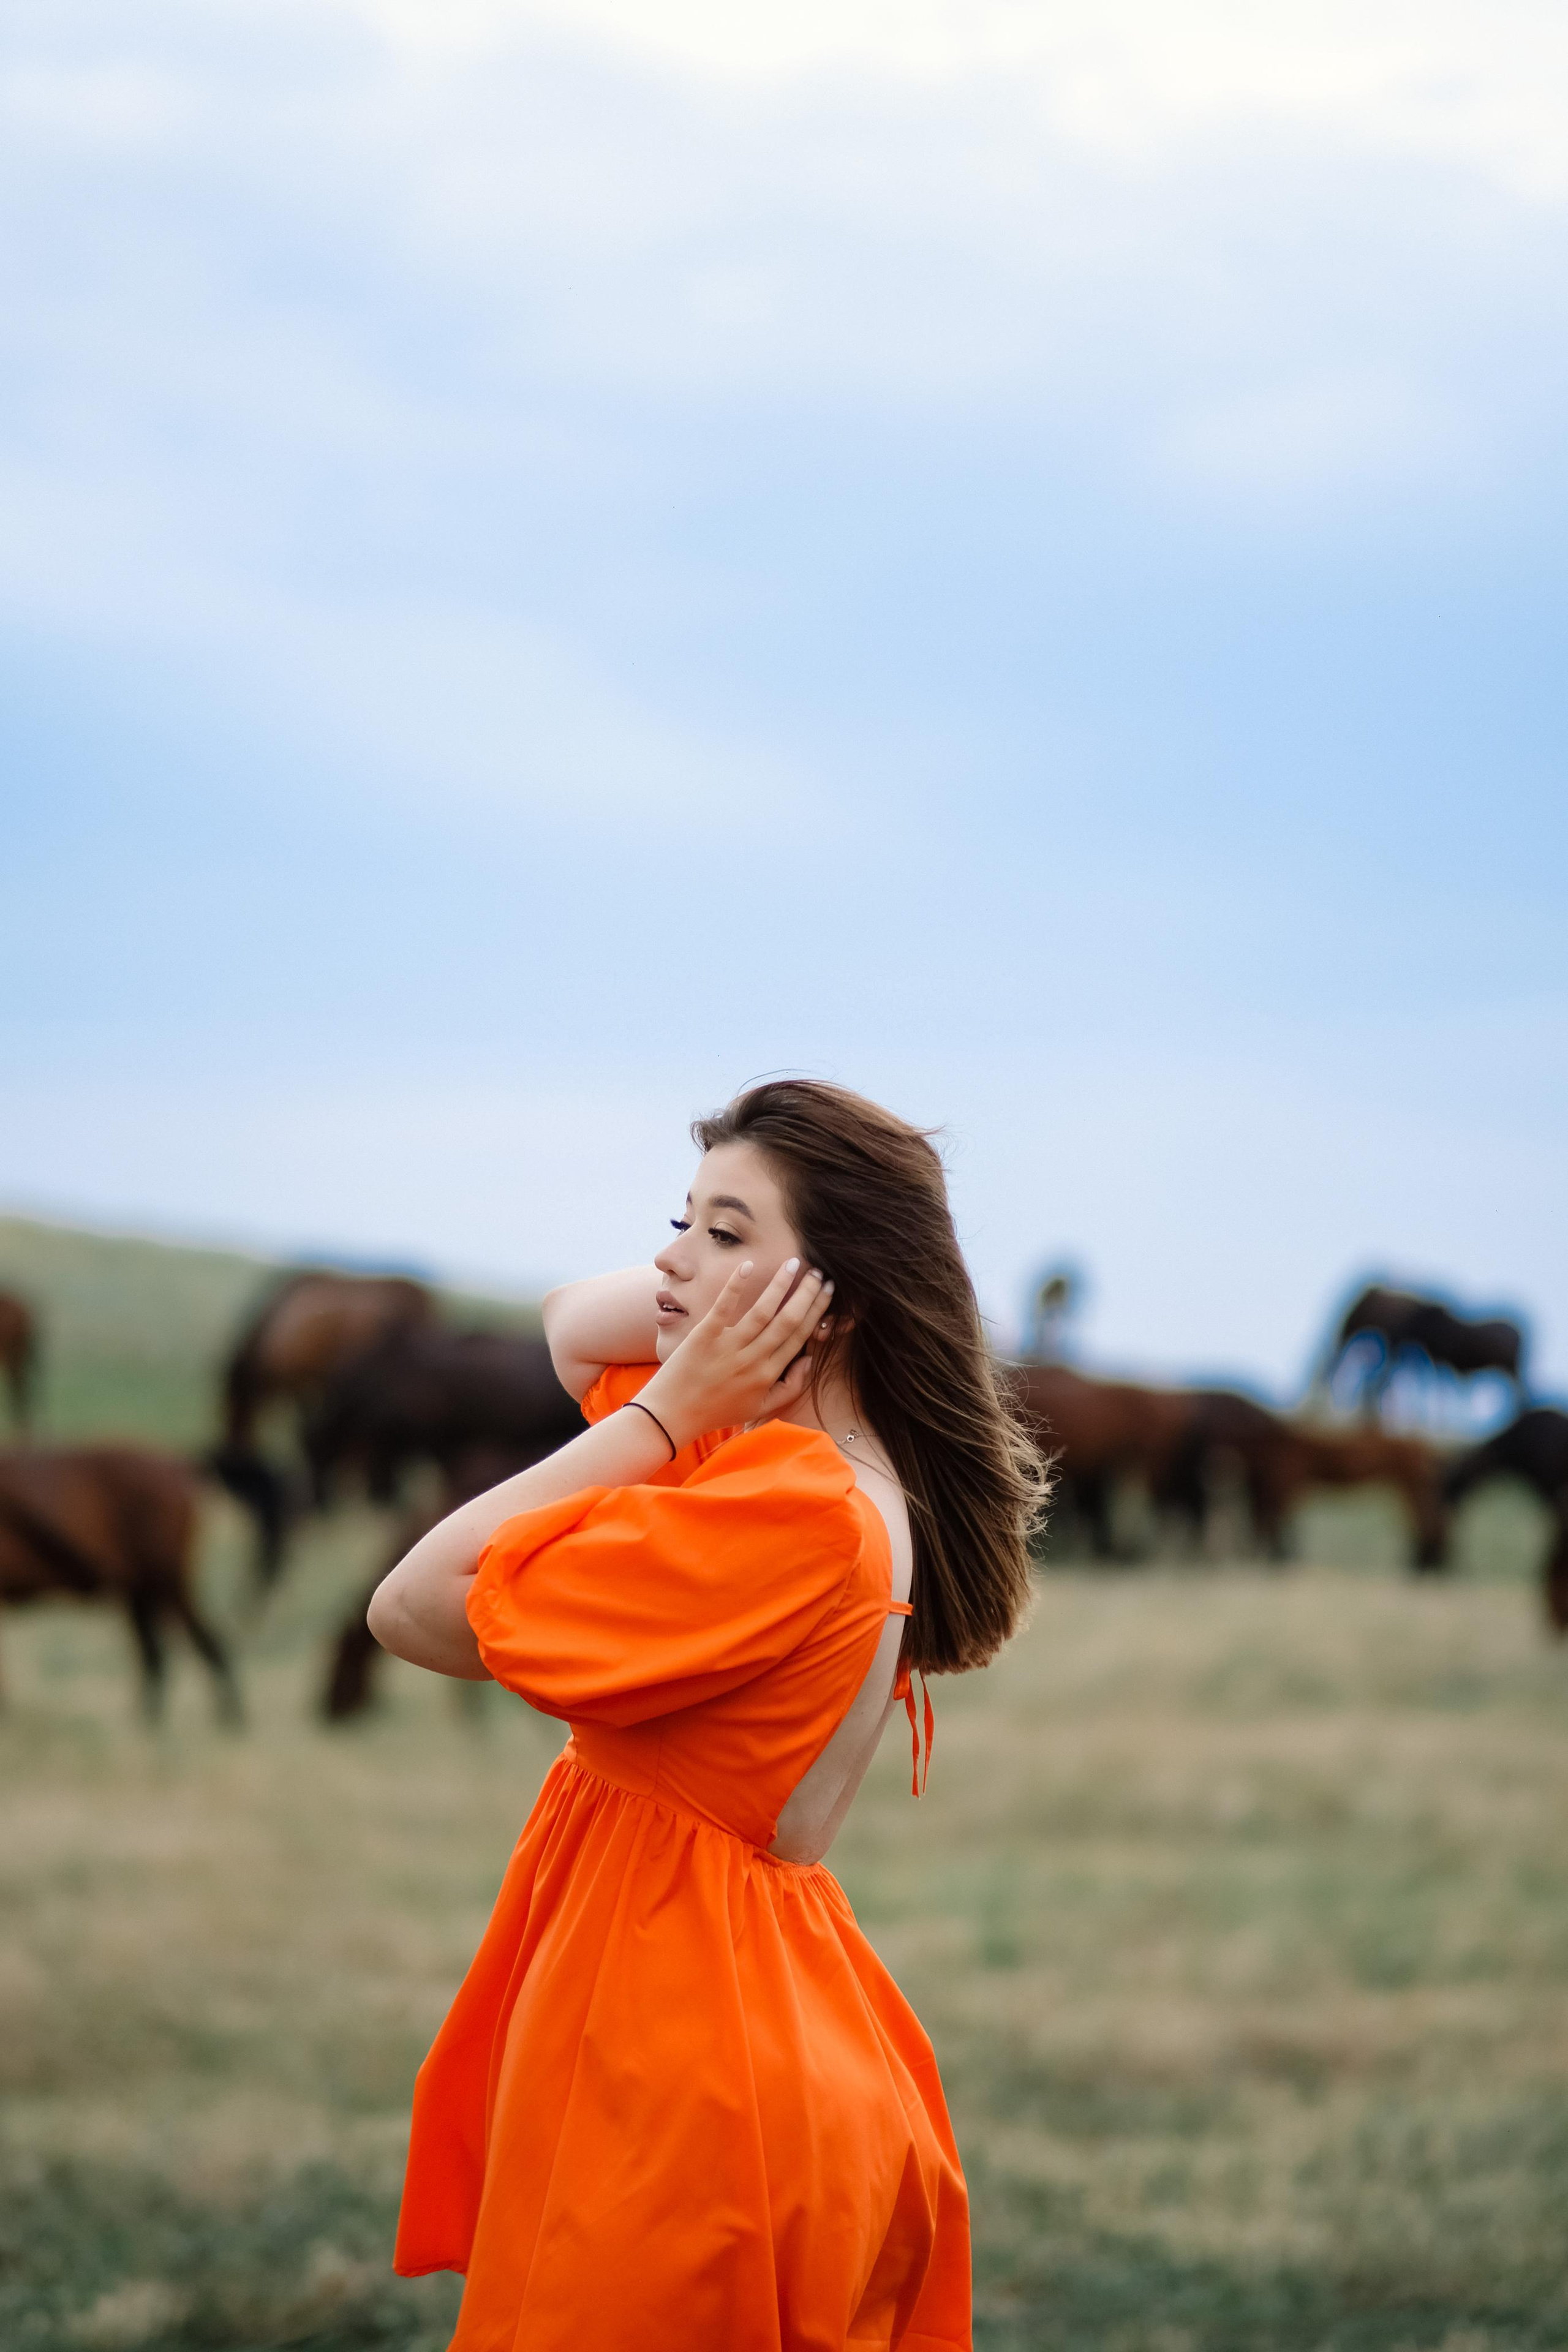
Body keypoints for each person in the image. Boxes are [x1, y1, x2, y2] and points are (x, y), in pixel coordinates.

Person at [369, 1079, 1046, 2350]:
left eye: (725, 1233)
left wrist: (663, 1407)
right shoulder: (784, 1456)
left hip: (674, 2048)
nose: (669, 1262)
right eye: (677, 1222)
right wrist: (712, 1318)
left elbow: (411, 1606)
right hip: (726, 2002)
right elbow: (572, 1323)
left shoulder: (781, 1502)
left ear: (831, 1299)